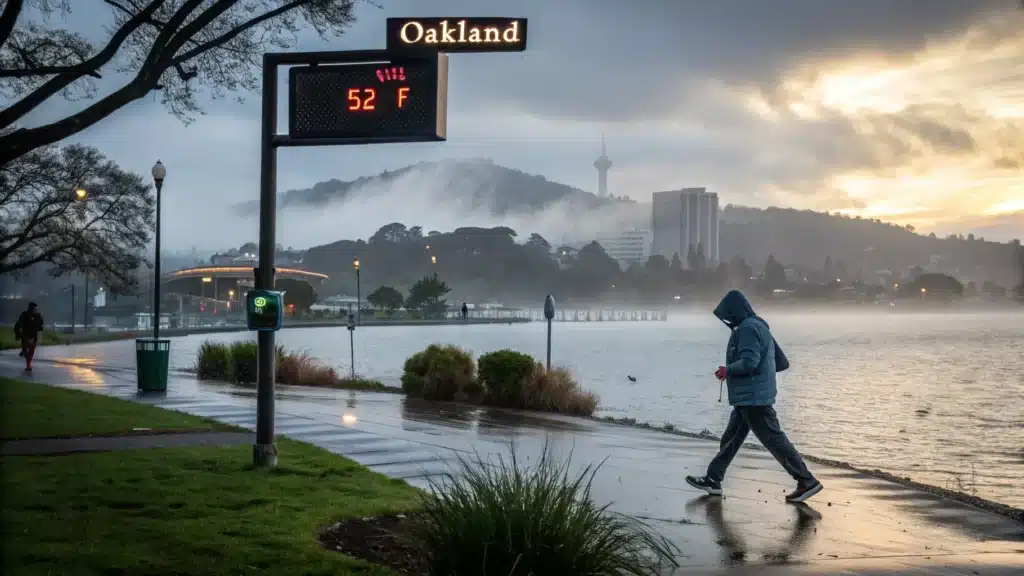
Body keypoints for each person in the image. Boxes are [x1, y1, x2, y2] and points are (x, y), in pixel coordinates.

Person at [686, 290, 823, 503]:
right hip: (750, 397)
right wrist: (762, 378)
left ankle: (806, 481)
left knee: (774, 441)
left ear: (734, 311)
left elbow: (750, 361)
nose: (727, 320)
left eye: (728, 314)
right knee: (731, 439)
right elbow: (781, 362)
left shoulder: (748, 329)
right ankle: (713, 479)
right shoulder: (759, 326)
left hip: (754, 399)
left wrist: (728, 370)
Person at [14, 302, 44, 372]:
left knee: (31, 352)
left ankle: (28, 366)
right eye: (35, 308)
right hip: (26, 335)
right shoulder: (24, 314)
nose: (36, 310)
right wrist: (18, 334)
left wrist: (40, 327)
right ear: (31, 308)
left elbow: (40, 324)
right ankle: (24, 353)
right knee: (26, 351)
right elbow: (18, 324)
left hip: (34, 336)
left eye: (37, 308)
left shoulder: (38, 315)